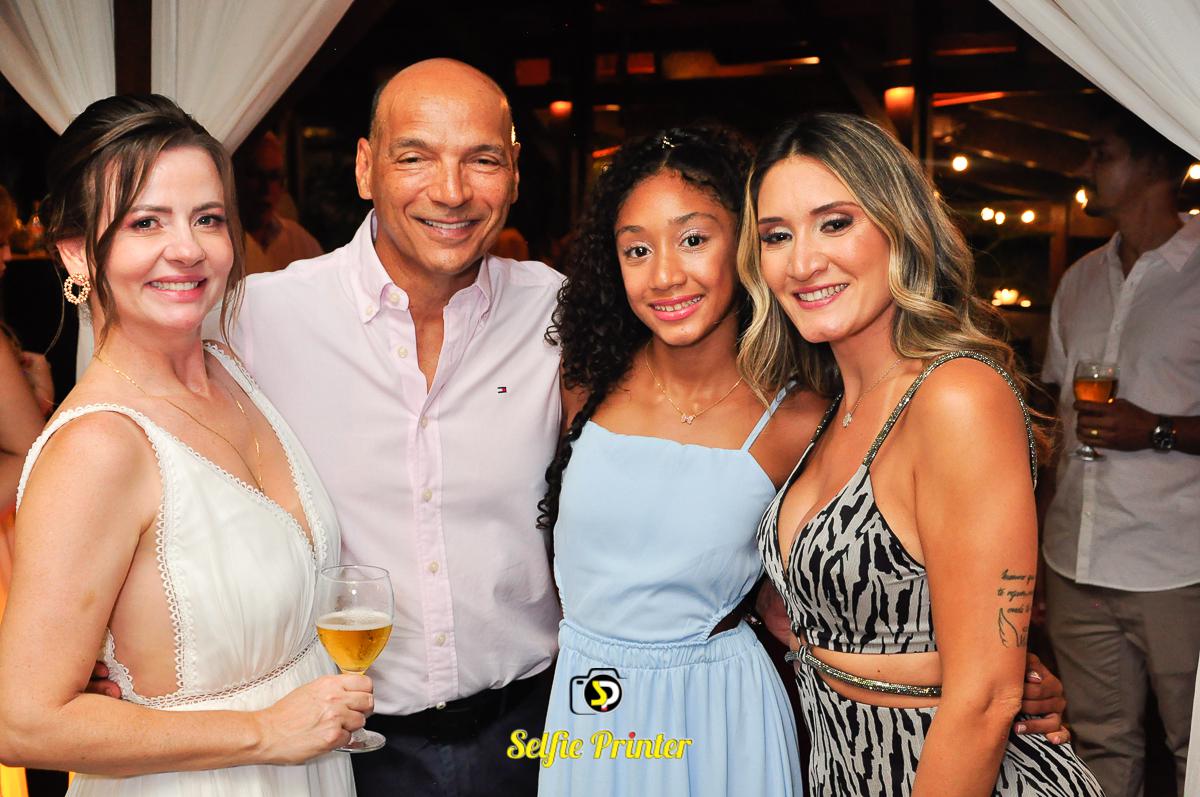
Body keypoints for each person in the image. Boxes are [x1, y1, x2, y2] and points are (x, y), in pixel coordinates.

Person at [209, 59, 563, 797]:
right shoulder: (259, 317)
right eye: (415, 157)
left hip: (535, 729)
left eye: (481, 160)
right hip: (346, 748)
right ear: (366, 167)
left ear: (514, 172)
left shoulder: (557, 314)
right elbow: (159, 462)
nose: (452, 191)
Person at [0, 94, 370, 795]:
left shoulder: (230, 370)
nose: (189, 248)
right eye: (146, 221)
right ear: (76, 251)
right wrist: (265, 731)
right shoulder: (98, 447)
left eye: (207, 218)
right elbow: (23, 721)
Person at [741, 112, 1103, 795]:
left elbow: (986, 698)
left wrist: (994, 672)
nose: (803, 261)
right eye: (776, 236)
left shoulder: (956, 395)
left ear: (900, 229)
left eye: (835, 223)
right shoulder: (833, 407)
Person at [537, 127, 821, 795]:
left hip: (721, 713)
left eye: (693, 239)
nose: (665, 274)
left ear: (745, 242)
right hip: (590, 703)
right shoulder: (585, 383)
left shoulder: (799, 419)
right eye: (638, 249)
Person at [1040, 100, 1200, 797]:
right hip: (1076, 558)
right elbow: (1057, 422)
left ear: (1157, 164)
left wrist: (1157, 428)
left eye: (1102, 153)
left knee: (1194, 746)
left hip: (1177, 564)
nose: (1086, 167)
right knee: (1098, 747)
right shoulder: (1079, 278)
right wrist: (1038, 543)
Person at [236, 131, 322, 274]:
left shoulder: (301, 243)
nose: (265, 188)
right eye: (255, 175)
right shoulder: (220, 245)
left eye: (273, 176)